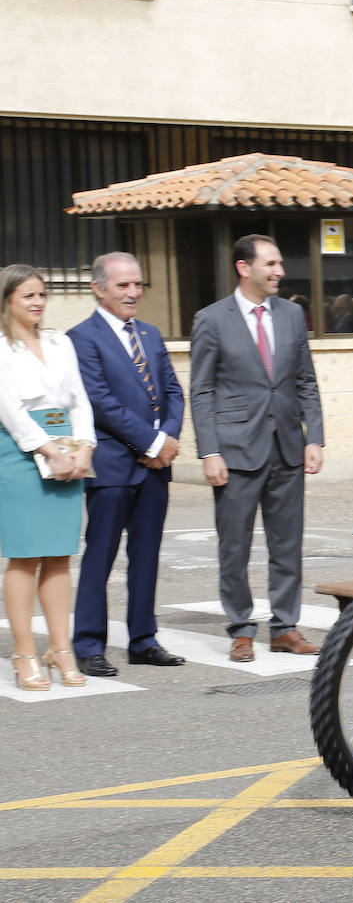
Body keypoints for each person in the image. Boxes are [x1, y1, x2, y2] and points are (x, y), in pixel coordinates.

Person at [190, 234, 326, 662]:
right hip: (235, 451)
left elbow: (306, 380)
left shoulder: (292, 314)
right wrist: (209, 451)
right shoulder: (212, 319)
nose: (279, 271)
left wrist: (315, 437)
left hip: (287, 446)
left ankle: (285, 627)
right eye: (271, 263)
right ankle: (241, 628)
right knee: (234, 547)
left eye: (280, 263)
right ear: (244, 268)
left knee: (288, 545)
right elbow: (201, 390)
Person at [67, 252, 187, 677]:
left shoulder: (150, 334)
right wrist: (152, 441)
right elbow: (99, 401)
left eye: (138, 284)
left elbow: (173, 391)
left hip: (154, 467)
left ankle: (143, 640)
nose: (133, 292)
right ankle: (88, 644)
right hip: (112, 466)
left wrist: (165, 441)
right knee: (100, 556)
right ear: (98, 289)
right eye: (123, 285)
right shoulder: (81, 338)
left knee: (147, 556)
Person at [0, 265, 95, 690]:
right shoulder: (2, 349)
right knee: (24, 556)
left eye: (41, 294)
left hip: (68, 449)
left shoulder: (61, 342)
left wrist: (85, 447)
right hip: (21, 454)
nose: (38, 302)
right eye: (28, 295)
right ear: (7, 301)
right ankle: (24, 653)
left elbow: (79, 401)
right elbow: (12, 412)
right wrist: (50, 451)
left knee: (58, 555)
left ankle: (60, 649)